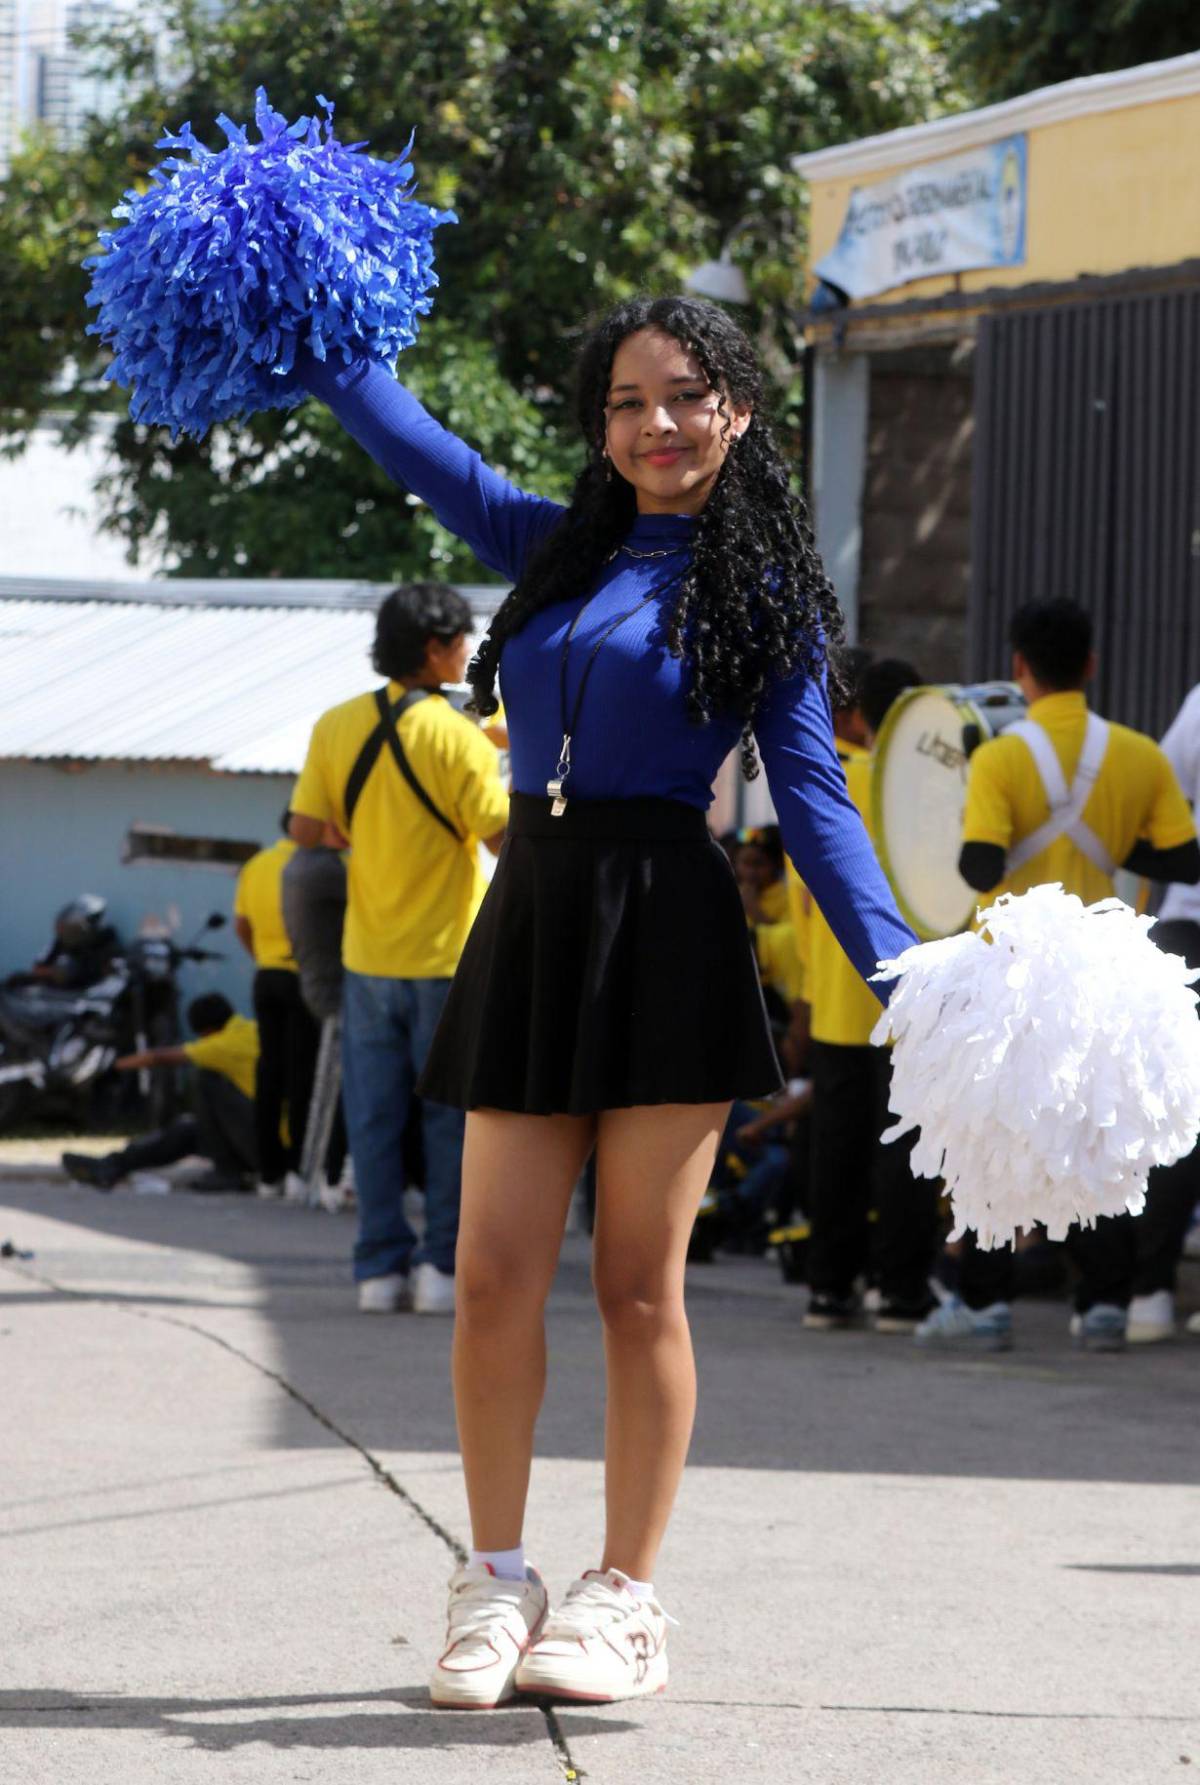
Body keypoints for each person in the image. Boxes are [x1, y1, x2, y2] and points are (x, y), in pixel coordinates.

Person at [297, 293, 915, 1710]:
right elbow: (426, 452)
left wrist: (906, 971)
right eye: (627, 403)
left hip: (669, 923)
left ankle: (625, 1598)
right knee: (492, 1275)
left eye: (685, 396)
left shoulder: (761, 594)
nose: (656, 425)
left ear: (737, 411)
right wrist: (317, 338)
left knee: (637, 1286)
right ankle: (495, 1579)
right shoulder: (554, 546)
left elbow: (814, 802)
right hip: (535, 914)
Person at [917, 600, 1200, 1353]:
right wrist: (1109, 842)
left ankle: (986, 1305)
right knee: (1097, 1134)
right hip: (1103, 971)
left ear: (1019, 666)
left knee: (995, 1136)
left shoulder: (999, 757)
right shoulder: (1140, 755)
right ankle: (1104, 1304)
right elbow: (1183, 860)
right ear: (1091, 664)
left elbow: (980, 866)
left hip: (1013, 974)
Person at [288, 583, 510, 1318]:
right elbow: (500, 837)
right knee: (449, 1122)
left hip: (367, 955)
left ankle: (378, 1272)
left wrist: (352, 828)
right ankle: (441, 1268)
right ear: (435, 648)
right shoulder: (458, 736)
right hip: (447, 959)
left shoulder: (337, 724)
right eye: (463, 641)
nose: (469, 653)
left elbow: (303, 828)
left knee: (373, 1121)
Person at [793, 657, 935, 1333]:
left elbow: (801, 902)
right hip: (913, 1001)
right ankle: (901, 1292)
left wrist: (810, 983)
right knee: (907, 1152)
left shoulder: (824, 781)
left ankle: (829, 1288)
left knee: (836, 1151)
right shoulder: (926, 789)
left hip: (837, 998)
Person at [62, 993, 258, 1192]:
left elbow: (158, 1057)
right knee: (186, 1131)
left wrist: (112, 1067)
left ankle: (227, 1173)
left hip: (260, 1146)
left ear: (207, 1030)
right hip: (258, 1139)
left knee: (207, 1079)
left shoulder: (223, 1045)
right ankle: (112, 1165)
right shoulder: (251, 1029)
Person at [234, 816, 320, 1199]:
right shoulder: (314, 864)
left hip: (266, 975)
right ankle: (299, 1169)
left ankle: (268, 1174)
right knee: (303, 1074)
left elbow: (241, 924)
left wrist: (262, 957)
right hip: (302, 976)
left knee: (269, 1074)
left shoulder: (257, 864)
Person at [280, 825, 351, 1203]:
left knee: (309, 1081)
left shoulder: (293, 864)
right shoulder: (327, 869)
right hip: (335, 985)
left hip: (309, 978)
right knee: (342, 1088)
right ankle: (331, 1174)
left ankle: (312, 1173)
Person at [16, 895, 121, 991]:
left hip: (87, 997)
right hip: (57, 996)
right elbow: (37, 969)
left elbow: (111, 978)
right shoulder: (62, 941)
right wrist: (55, 972)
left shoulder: (106, 944)